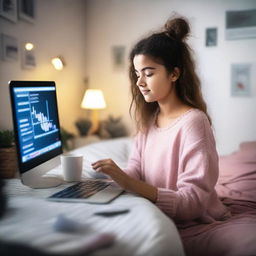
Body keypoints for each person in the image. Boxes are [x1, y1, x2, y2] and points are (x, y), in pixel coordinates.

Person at [92, 17, 230, 223]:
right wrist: (110, 178)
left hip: (192, 222)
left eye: (148, 73)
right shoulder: (148, 119)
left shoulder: (194, 122)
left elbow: (192, 203)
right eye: (137, 74)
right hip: (154, 216)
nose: (139, 82)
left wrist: (128, 183)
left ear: (174, 74)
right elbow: (136, 170)